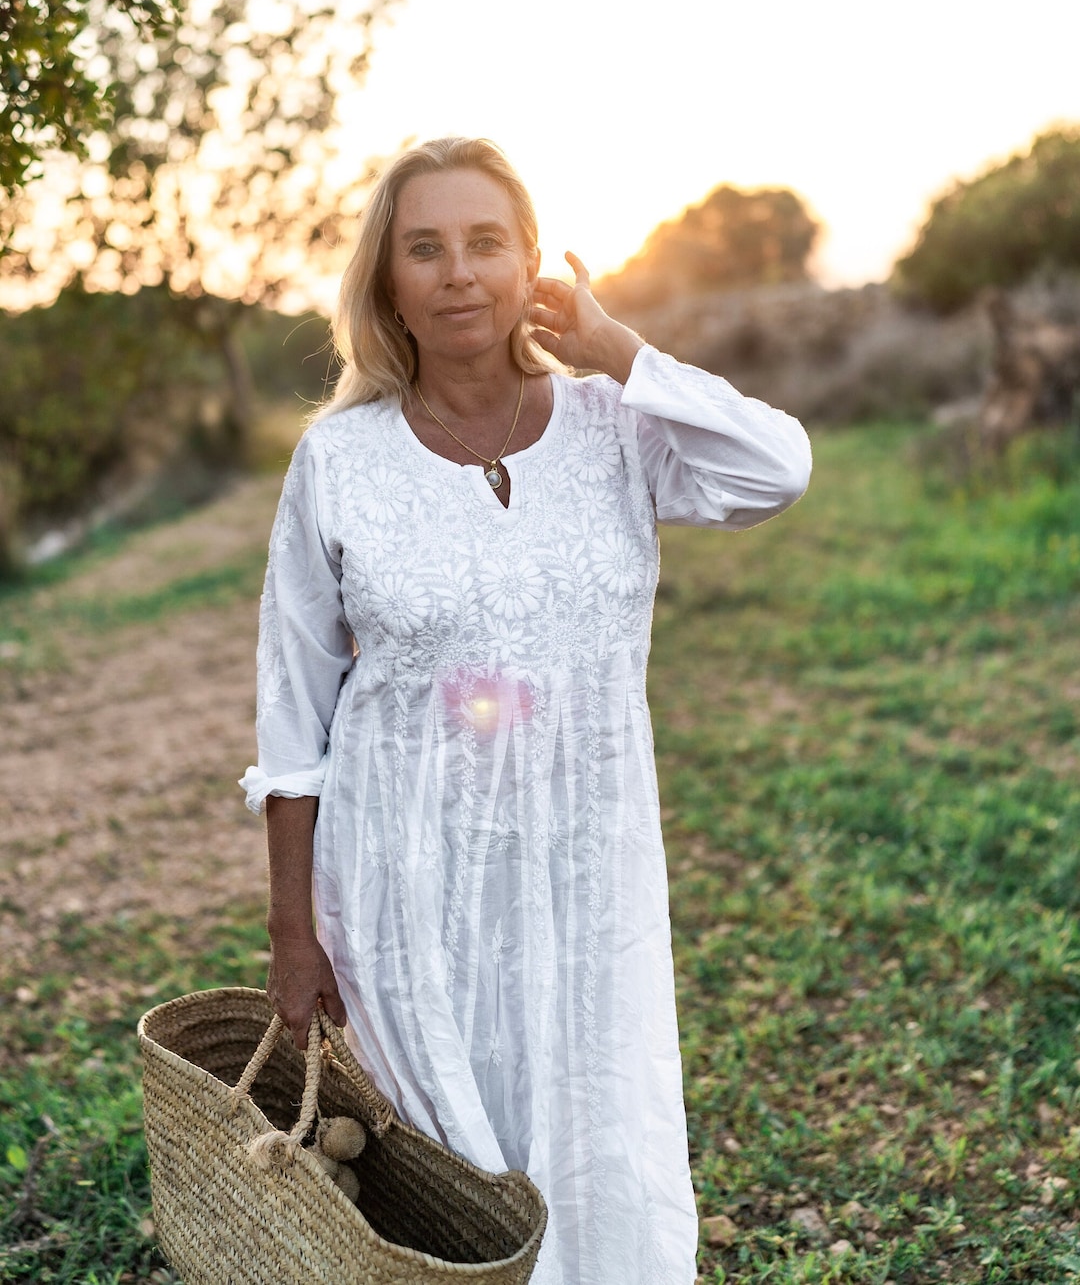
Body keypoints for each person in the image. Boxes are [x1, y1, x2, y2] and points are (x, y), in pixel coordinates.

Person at [240, 136, 812, 1285]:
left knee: (599, 1134)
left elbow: (776, 470)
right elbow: (293, 716)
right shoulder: (340, 461)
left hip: (586, 870)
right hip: (405, 877)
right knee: (446, 1183)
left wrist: (619, 349)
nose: (459, 272)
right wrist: (295, 935)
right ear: (388, 282)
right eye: (426, 248)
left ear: (531, 263)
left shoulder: (616, 425)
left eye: (486, 243)